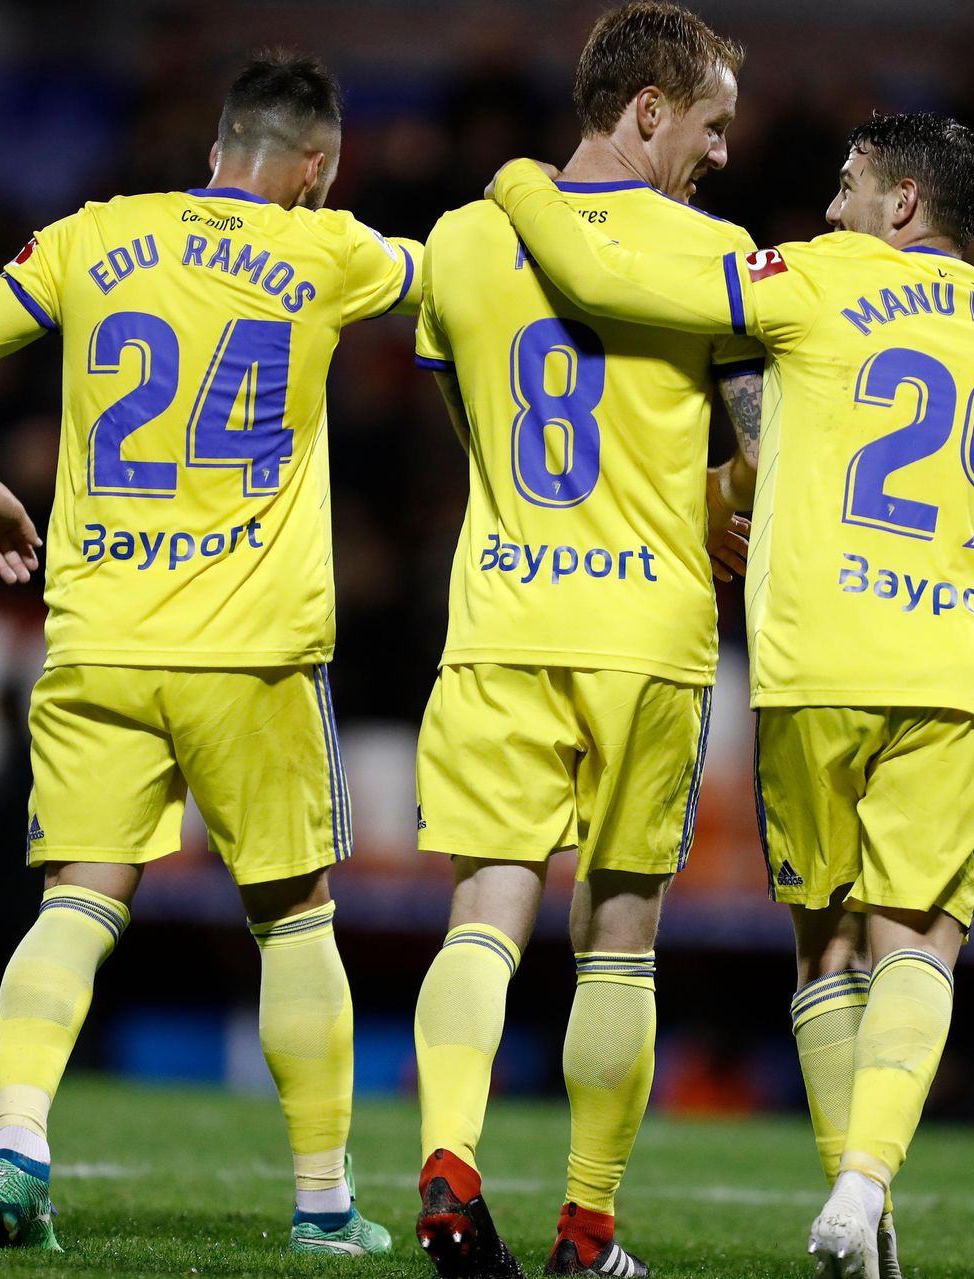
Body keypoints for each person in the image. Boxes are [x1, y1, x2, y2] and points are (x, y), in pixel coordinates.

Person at [489, 110, 974, 1279]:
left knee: (824, 948)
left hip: (816, 660)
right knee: (918, 944)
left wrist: (520, 185)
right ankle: (865, 1186)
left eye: (849, 185)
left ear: (903, 203)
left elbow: (607, 278)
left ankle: (859, 1196)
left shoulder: (815, 277)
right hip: (961, 667)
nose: (831, 204)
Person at [0, 50, 422, 1259]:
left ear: (214, 149)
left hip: (100, 641)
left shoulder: (92, 234)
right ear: (318, 167)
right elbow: (458, 274)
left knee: (78, 904)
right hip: (253, 655)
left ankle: (17, 1142)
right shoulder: (330, 249)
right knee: (295, 920)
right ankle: (322, 1204)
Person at [408, 5, 759, 1276]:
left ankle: (448, 1166)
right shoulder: (718, 255)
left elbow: (474, 431)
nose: (721, 153)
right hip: (645, 632)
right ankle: (587, 1229)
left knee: (482, 915)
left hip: (503, 613)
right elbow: (761, 460)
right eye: (711, 124)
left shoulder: (460, 240)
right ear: (649, 110)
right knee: (619, 934)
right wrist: (711, 502)